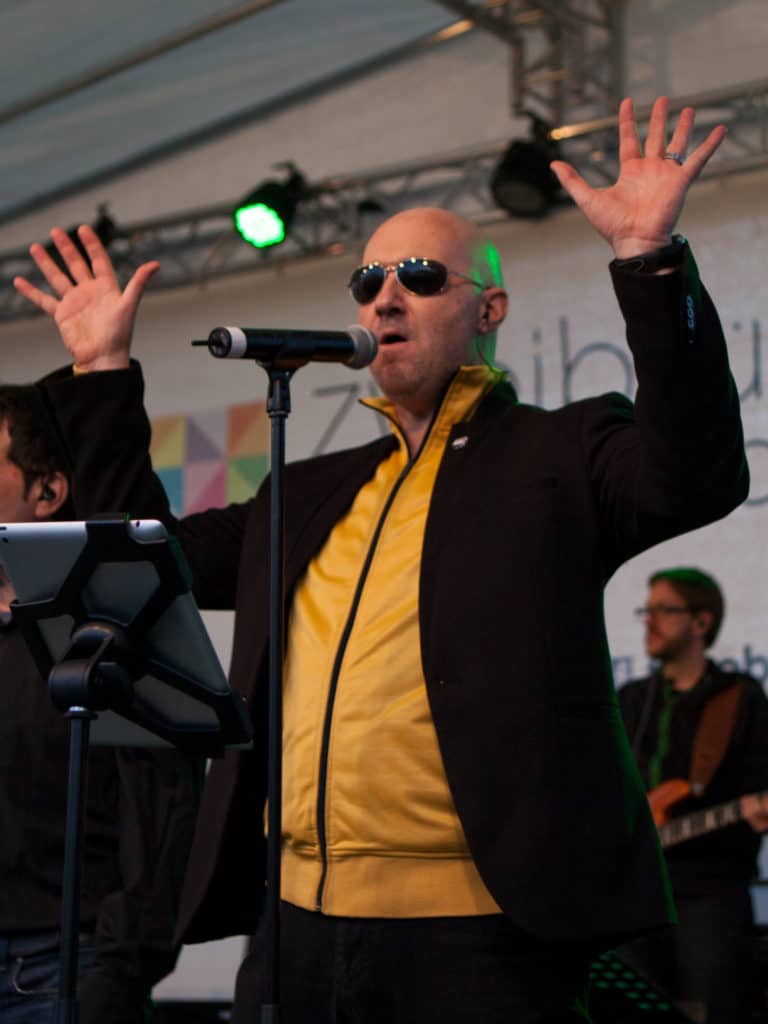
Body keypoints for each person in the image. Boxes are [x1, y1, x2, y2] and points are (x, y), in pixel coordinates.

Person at [13, 97, 749, 1023]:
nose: (385, 297)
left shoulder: (558, 453)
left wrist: (647, 261)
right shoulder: (310, 488)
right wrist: (102, 374)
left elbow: (697, 475)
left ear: (489, 308)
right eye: (368, 281)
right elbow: (146, 556)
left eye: (419, 276)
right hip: (294, 927)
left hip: (480, 935)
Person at [0, 384, 202, 1023]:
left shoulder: (104, 633)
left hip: (63, 966)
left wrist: (115, 973)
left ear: (47, 492)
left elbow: (162, 817)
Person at [618, 568, 768, 1023]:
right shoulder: (630, 699)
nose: (650, 621)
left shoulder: (739, 698)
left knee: (716, 1007)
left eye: (665, 610)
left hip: (709, 888)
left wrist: (756, 811)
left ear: (701, 622)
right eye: (647, 610)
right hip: (634, 889)